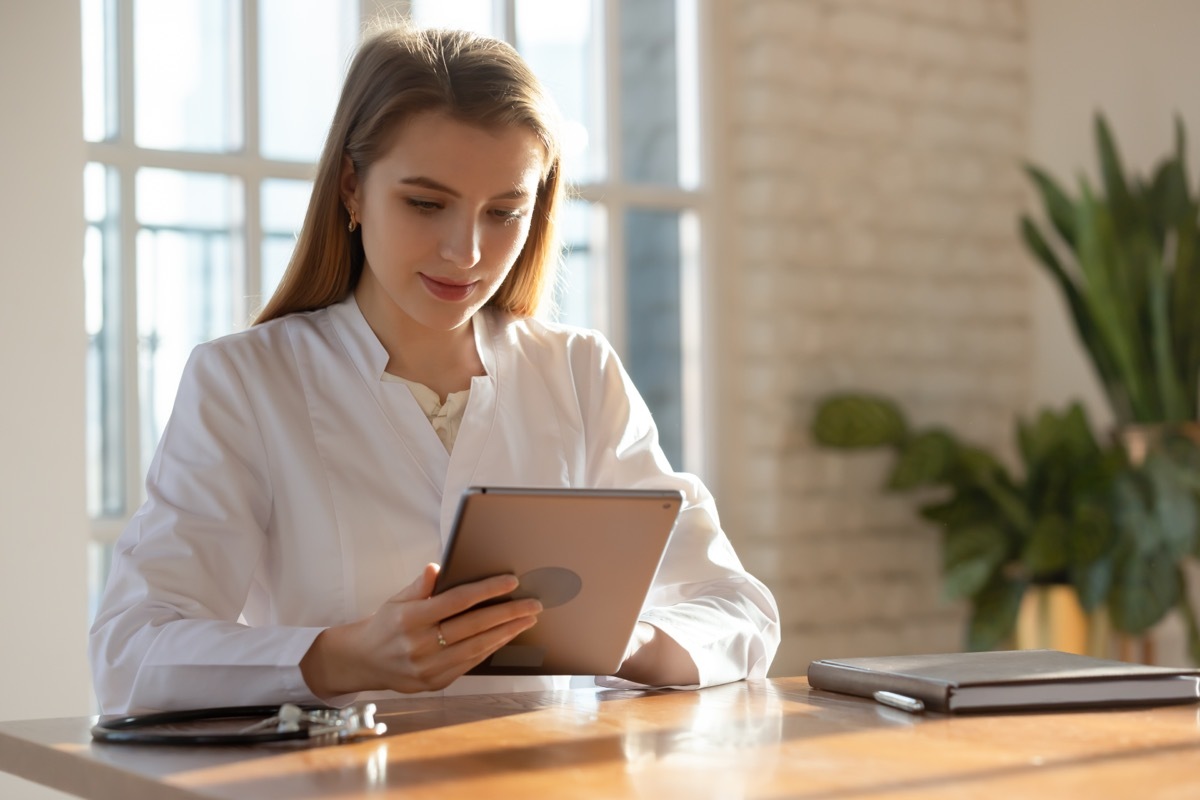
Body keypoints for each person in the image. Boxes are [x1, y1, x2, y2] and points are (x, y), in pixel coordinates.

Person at [89, 22, 780, 715]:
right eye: (426, 203)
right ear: (353, 189)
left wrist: (628, 640)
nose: (466, 253)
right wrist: (339, 657)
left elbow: (737, 609)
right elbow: (129, 651)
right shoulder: (244, 382)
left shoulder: (578, 371)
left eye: (505, 212)